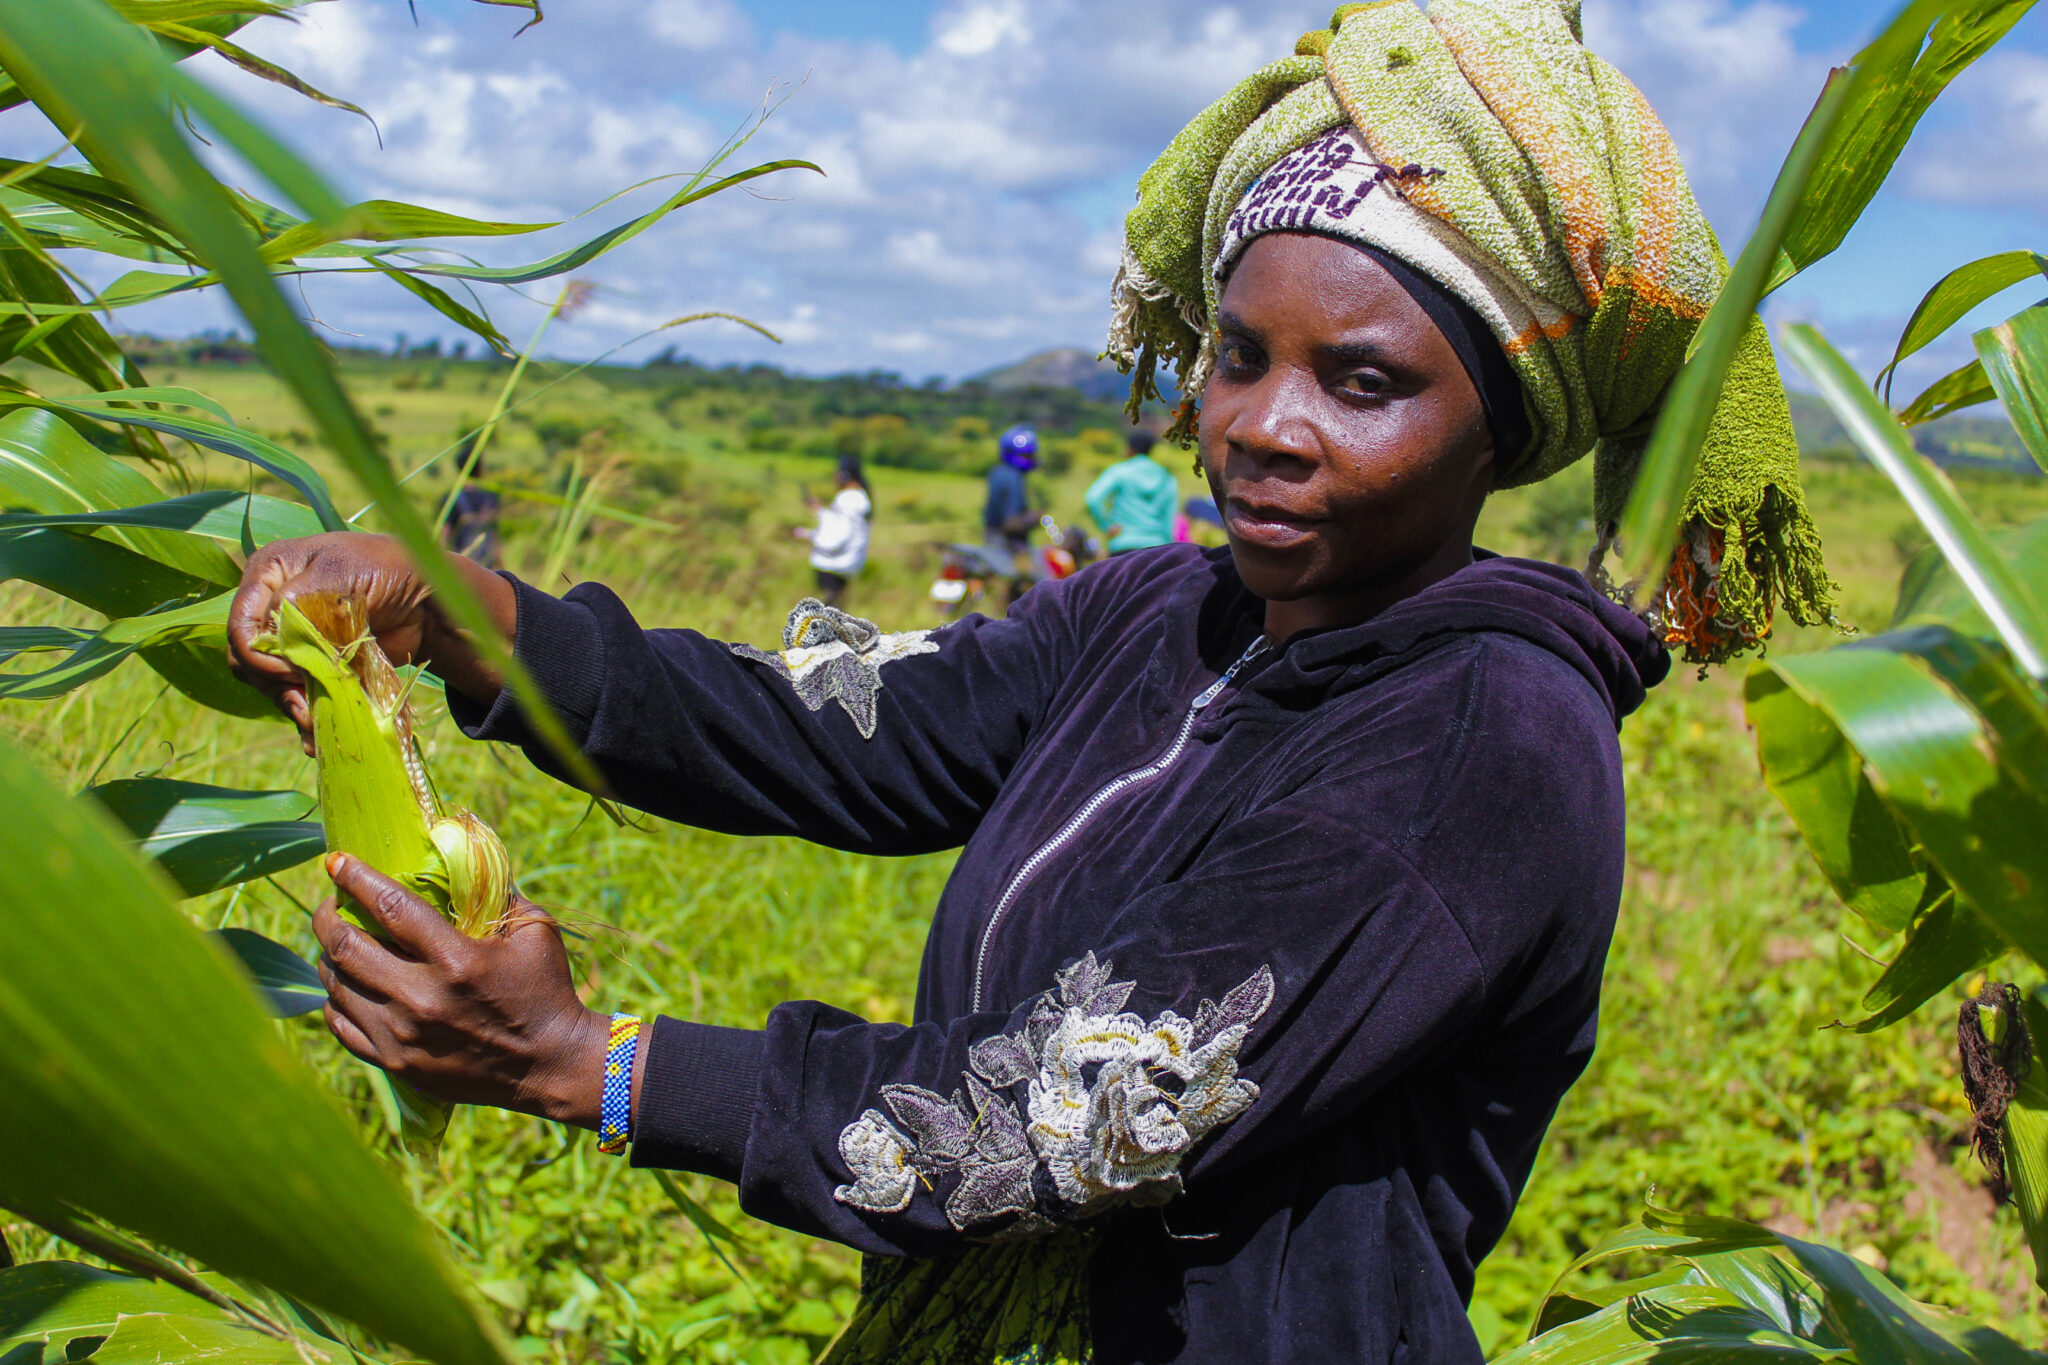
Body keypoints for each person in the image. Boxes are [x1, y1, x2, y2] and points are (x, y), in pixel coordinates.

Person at [227, 3, 1838, 1359]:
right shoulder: (1155, 613)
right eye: (1238, 353)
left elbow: (1073, 1110)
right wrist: (461, 612)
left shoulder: (1482, 741)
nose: (1262, 424)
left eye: (1364, 382)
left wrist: (594, 1063)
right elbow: (827, 721)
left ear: (1502, 430)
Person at [1084, 431, 1178, 555]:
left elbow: (1093, 498)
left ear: (1130, 449)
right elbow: (1169, 518)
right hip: (1156, 548)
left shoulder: (1120, 471)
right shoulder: (1166, 478)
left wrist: (1107, 525)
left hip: (1124, 545)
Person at [796, 455, 871, 607]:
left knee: (828, 615)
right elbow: (841, 523)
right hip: (845, 565)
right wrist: (820, 511)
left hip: (832, 564)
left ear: (844, 475)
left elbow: (836, 537)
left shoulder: (848, 498)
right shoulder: (857, 498)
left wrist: (808, 535)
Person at [983, 424, 1044, 606]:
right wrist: (1034, 518)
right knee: (1042, 578)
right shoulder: (1014, 479)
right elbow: (1011, 523)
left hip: (991, 536)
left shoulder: (997, 473)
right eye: (1027, 455)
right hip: (1007, 543)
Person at [441, 442, 500, 569]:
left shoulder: (451, 498)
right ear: (480, 468)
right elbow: (494, 537)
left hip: (460, 565)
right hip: (487, 567)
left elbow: (445, 534)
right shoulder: (490, 497)